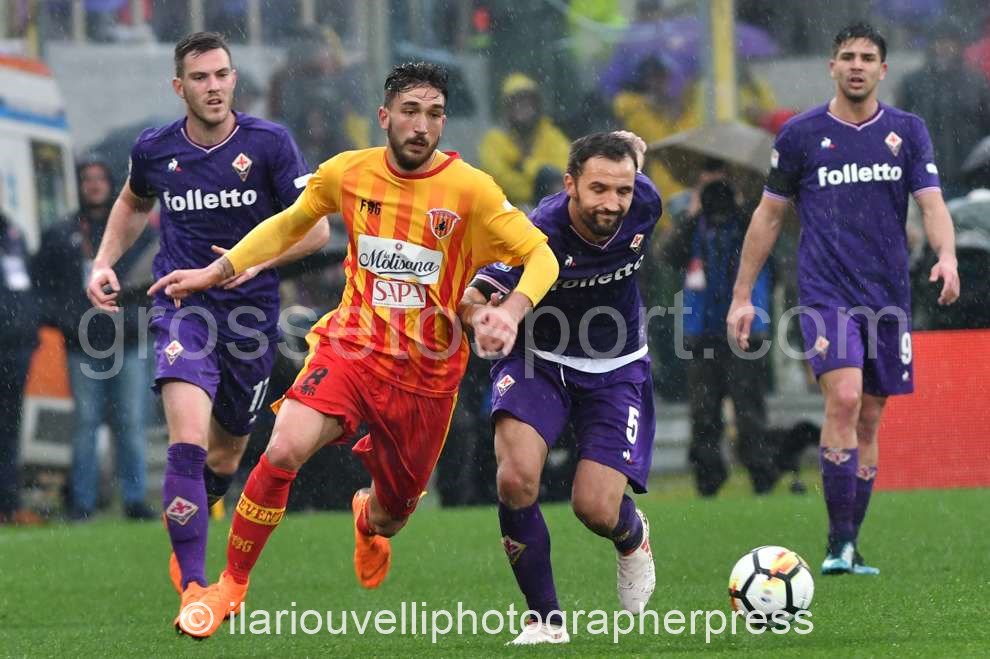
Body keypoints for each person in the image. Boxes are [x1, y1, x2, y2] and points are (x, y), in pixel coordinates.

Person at [146, 61, 559, 639]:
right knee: (284, 446)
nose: (422, 126)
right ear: (385, 116)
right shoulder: (348, 172)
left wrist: (509, 312)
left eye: (434, 114)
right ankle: (230, 586)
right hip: (351, 347)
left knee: (393, 516)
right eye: (410, 112)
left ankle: (368, 518)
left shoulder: (472, 190)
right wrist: (218, 271)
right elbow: (290, 223)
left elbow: (542, 256)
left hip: (426, 377)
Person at [84, 32, 330, 629]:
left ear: (234, 79)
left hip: (250, 318)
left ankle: (192, 520)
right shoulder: (156, 149)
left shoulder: (270, 144)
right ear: (180, 87)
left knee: (225, 453)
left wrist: (255, 262)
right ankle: (195, 585)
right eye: (200, 78)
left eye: (221, 75)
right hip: (182, 310)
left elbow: (319, 231)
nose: (213, 87)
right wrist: (103, 261)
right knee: (188, 442)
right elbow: (133, 203)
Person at [728, 23, 960, 577]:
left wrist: (947, 256)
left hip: (888, 295)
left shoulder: (907, 131)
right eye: (848, 56)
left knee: (870, 417)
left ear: (883, 70)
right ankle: (836, 545)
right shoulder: (801, 135)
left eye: (867, 58)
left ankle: (849, 543)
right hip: (825, 293)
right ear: (832, 66)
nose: (857, 65)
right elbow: (768, 215)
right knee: (846, 398)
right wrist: (742, 295)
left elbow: (931, 203)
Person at [463, 131, 660, 645]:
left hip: (616, 365)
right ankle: (545, 620)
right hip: (538, 361)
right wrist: (483, 319)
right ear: (570, 184)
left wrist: (634, 154)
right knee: (515, 480)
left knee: (594, 509)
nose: (612, 203)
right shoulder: (538, 230)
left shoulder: (645, 203)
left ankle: (633, 535)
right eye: (598, 189)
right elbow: (476, 293)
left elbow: (634, 165)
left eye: (622, 190)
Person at [35, 158, 157, 521]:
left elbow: (153, 278)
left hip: (129, 341)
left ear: (112, 183)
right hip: (82, 344)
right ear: (78, 185)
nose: (94, 185)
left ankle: (134, 500)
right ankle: (83, 502)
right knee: (85, 424)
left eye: (100, 178)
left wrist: (139, 320)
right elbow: (42, 285)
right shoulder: (62, 234)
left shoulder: (135, 230)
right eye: (87, 179)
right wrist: (66, 322)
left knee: (131, 423)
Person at [660, 176, 777, 496]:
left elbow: (774, 262)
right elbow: (667, 255)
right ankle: (713, 478)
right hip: (704, 335)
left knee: (747, 411)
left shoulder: (749, 223)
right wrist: (693, 214)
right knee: (705, 412)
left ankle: (758, 474)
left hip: (743, 331)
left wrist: (744, 207)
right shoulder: (695, 229)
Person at [897, 19, 990, 198]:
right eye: (939, 42)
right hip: (926, 175)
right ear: (931, 45)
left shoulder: (976, 83)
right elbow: (899, 126)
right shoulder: (913, 83)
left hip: (970, 176)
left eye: (950, 42)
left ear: (959, 45)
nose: (944, 48)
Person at [0, 207, 41, 526]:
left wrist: (30, 327)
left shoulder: (13, 233)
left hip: (16, 347)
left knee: (10, 428)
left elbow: (30, 286)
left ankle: (9, 503)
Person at [479, 73, 571, 209]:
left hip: (547, 210)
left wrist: (526, 166)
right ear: (507, 108)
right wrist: (538, 188)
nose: (522, 108)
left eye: (527, 102)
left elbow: (565, 172)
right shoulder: (493, 141)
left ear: (537, 105)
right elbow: (501, 180)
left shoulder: (551, 135)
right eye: (516, 103)